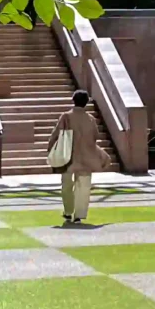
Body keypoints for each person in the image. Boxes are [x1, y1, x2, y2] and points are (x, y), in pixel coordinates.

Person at [51, 89, 102, 227]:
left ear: (73, 100)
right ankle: (79, 214)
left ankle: (68, 211)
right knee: (83, 186)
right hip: (85, 156)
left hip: (68, 155)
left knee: (66, 184)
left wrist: (50, 149)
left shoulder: (66, 116)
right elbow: (95, 137)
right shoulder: (90, 119)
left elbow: (55, 134)